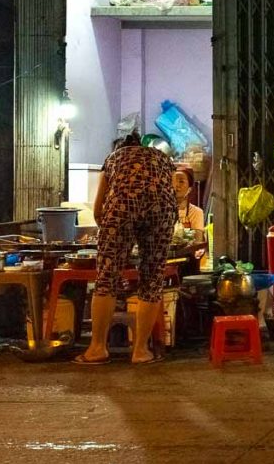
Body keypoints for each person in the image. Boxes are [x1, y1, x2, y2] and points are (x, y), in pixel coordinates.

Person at [75, 131, 177, 365]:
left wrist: (111, 239)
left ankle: (97, 349)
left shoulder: (113, 158)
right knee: (152, 278)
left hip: (121, 208)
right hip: (161, 210)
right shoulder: (160, 158)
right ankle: (141, 350)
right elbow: (170, 193)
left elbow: (99, 207)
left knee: (106, 279)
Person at [173, 168, 205, 233]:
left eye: (181, 181)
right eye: (173, 181)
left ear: (189, 189)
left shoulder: (196, 212)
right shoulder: (163, 211)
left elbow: (197, 240)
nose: (176, 185)